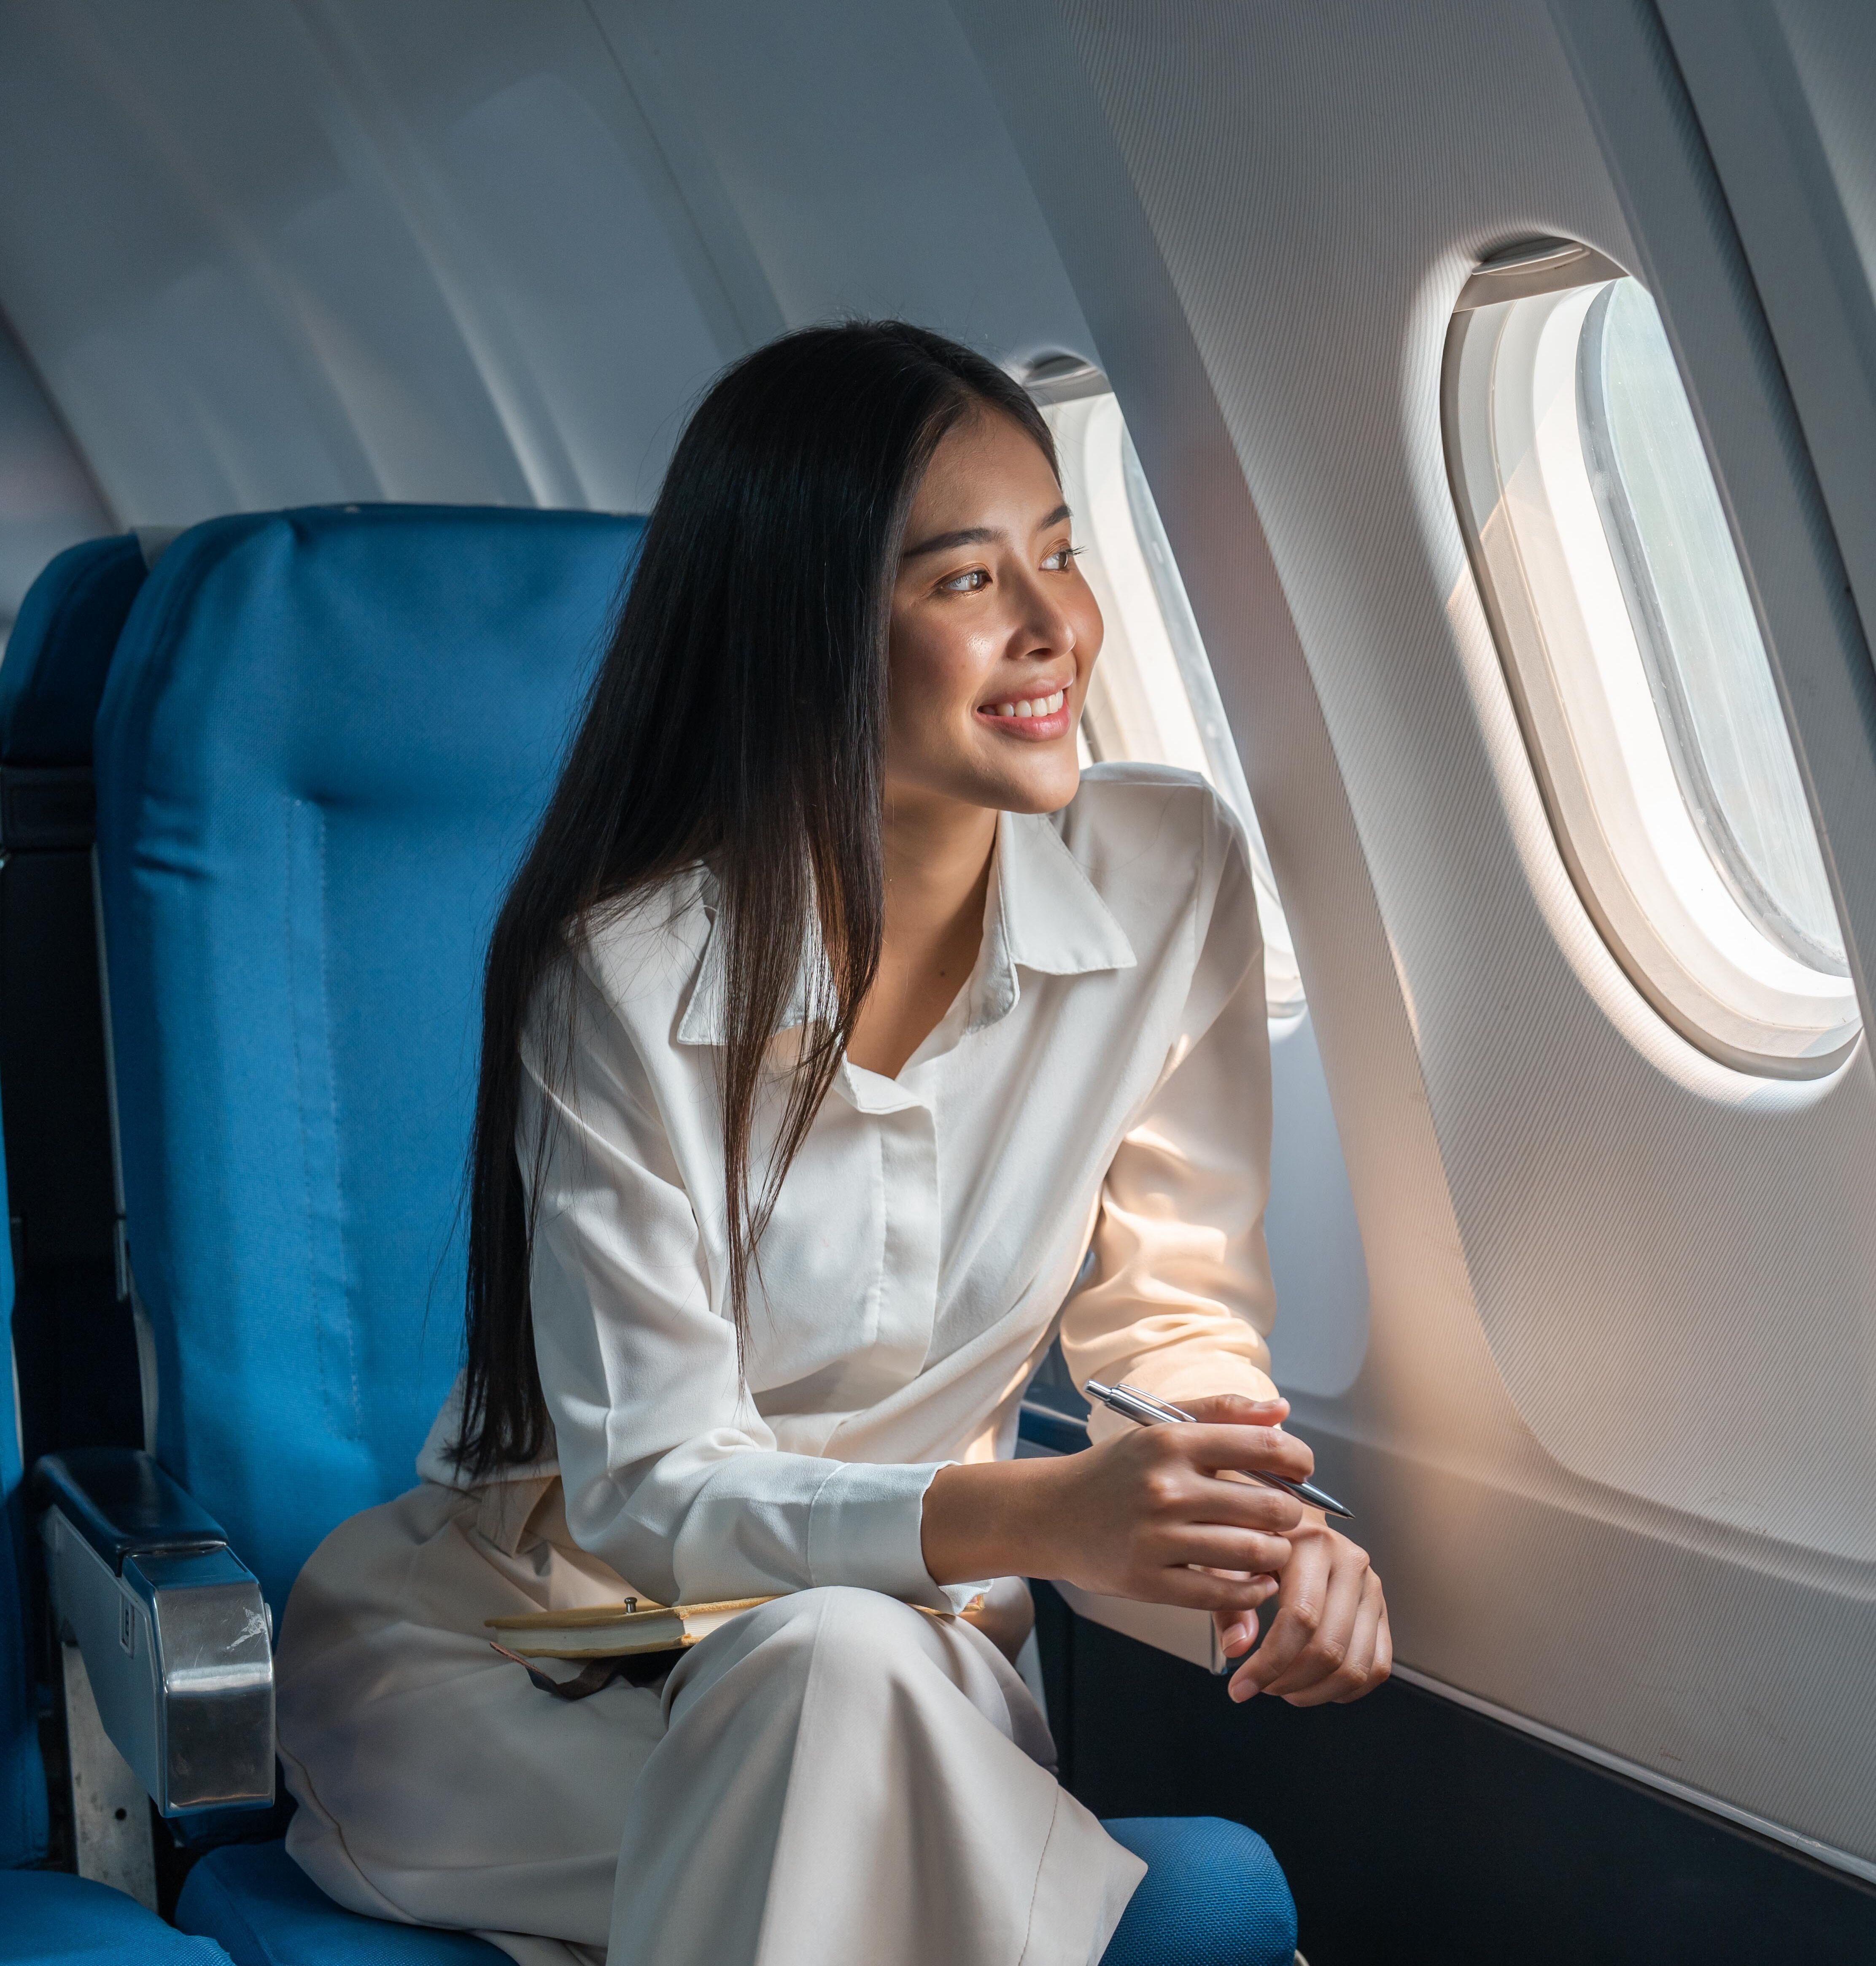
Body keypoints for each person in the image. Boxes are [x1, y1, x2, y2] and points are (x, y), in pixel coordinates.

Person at [273, 321, 1391, 1966]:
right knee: (850, 1737)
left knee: (840, 1687)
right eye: (963, 581)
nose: (1052, 626)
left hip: (895, 1656)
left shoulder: (1174, 877)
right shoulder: (628, 975)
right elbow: (656, 1488)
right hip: (524, 1661)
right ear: (806, 635)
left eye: (1059, 553)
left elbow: (1174, 1300)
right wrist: (1037, 1517)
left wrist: (1250, 1523)